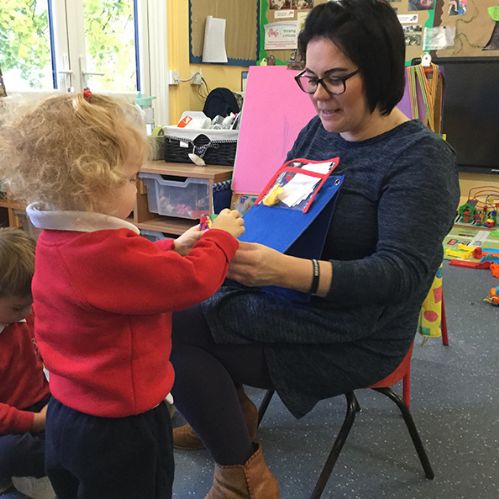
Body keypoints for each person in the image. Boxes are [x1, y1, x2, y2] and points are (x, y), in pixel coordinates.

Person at [169, 0, 460, 497]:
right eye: (310, 77)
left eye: (336, 79)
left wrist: (284, 271)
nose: (319, 95)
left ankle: (241, 475)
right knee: (172, 302)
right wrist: (230, 234)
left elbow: (400, 275)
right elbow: (280, 205)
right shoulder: (319, 133)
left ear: (380, 72)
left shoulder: (420, 160)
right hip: (287, 295)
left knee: (176, 328)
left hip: (355, 331)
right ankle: (225, 415)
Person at [0, 92, 244, 499]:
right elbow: (193, 281)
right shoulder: (108, 254)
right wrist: (220, 238)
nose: (138, 187)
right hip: (120, 427)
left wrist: (171, 246)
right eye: (131, 178)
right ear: (92, 186)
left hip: (67, 414)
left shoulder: (54, 240)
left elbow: (122, 277)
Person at [0, 228, 50, 499]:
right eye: (19, 308)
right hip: (10, 421)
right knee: (10, 452)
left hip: (42, 401)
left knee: (83, 429)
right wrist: (34, 422)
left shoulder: (25, 310)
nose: (29, 311)